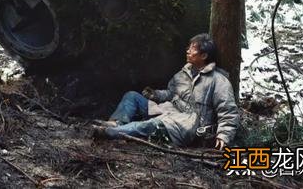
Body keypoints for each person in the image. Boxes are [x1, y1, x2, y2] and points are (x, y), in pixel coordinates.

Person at [94, 34, 239, 150]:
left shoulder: (218, 80)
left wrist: (224, 135)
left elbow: (228, 111)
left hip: (188, 124)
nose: (188, 50)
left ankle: (110, 133)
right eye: (189, 47)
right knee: (132, 96)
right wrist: (155, 95)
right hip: (168, 110)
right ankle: (116, 123)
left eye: (193, 48)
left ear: (204, 56)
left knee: (150, 125)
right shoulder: (182, 74)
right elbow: (170, 93)